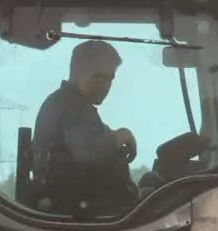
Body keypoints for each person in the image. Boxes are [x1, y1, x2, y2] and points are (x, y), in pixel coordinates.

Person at [31, 40, 138, 215]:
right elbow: (86, 154)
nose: (106, 86)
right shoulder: (74, 107)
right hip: (85, 213)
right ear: (78, 71)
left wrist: (110, 135)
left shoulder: (59, 102)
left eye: (110, 79)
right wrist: (119, 137)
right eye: (99, 77)